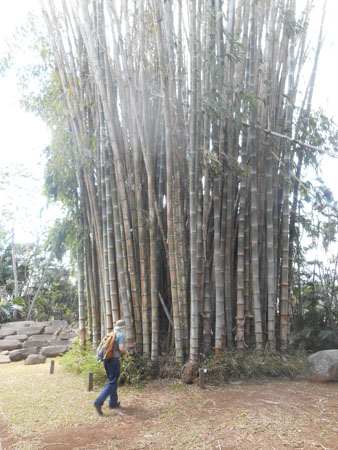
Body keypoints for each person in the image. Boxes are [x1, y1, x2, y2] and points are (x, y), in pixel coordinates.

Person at [93, 319, 127, 415]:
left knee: (112, 381)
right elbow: (121, 348)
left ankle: (113, 403)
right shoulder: (120, 335)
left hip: (106, 360)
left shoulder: (111, 334)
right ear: (123, 328)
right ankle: (98, 402)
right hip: (113, 361)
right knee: (112, 383)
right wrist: (125, 352)